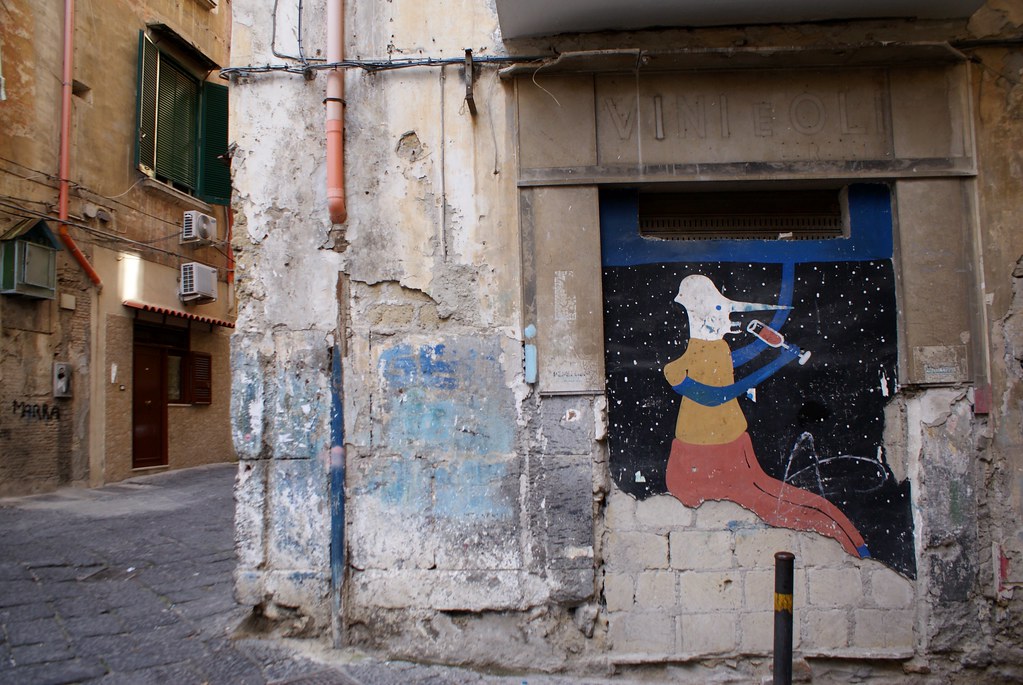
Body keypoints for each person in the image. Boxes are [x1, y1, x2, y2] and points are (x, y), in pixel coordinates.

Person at [664, 275, 869, 559]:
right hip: (705, 465)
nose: (731, 315)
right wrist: (776, 363)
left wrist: (771, 352)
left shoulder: (718, 349)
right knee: (800, 511)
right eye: (722, 309)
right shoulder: (677, 369)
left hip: (736, 456)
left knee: (808, 507)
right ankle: (855, 549)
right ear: (705, 313)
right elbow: (717, 396)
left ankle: (856, 547)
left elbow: (732, 363)